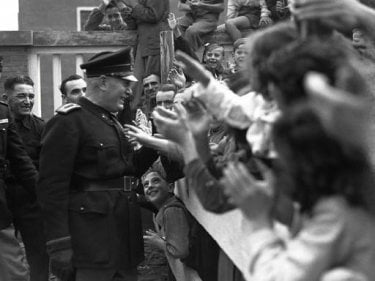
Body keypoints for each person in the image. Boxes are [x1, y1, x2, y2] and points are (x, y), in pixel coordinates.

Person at [37, 47, 158, 281]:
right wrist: (59, 244)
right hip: (91, 241)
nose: (129, 91)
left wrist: (154, 141)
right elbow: (51, 188)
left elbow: (126, 172)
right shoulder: (69, 122)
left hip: (122, 239)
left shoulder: (110, 120)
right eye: (124, 83)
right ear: (103, 82)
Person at [2, 75, 49, 281]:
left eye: (31, 96)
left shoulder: (41, 127)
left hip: (30, 199)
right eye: (21, 96)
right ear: (6, 97)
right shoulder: (3, 120)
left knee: (38, 253)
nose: (27, 101)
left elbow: (43, 165)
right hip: (3, 198)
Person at [0, 60, 38, 281]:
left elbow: (20, 160)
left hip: (0, 211)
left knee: (14, 273)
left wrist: (45, 193)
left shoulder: (3, 113)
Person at [142, 168, 202, 281]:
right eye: (146, 184)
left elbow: (181, 251)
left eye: (156, 181)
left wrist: (159, 242)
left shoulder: (172, 210)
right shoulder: (164, 210)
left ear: (170, 187)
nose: (150, 186)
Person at [119, 0, 169, 107]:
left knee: (155, 86)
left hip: (156, 44)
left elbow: (153, 15)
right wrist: (120, 5)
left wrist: (132, 4)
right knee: (136, 88)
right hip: (143, 45)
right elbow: (134, 24)